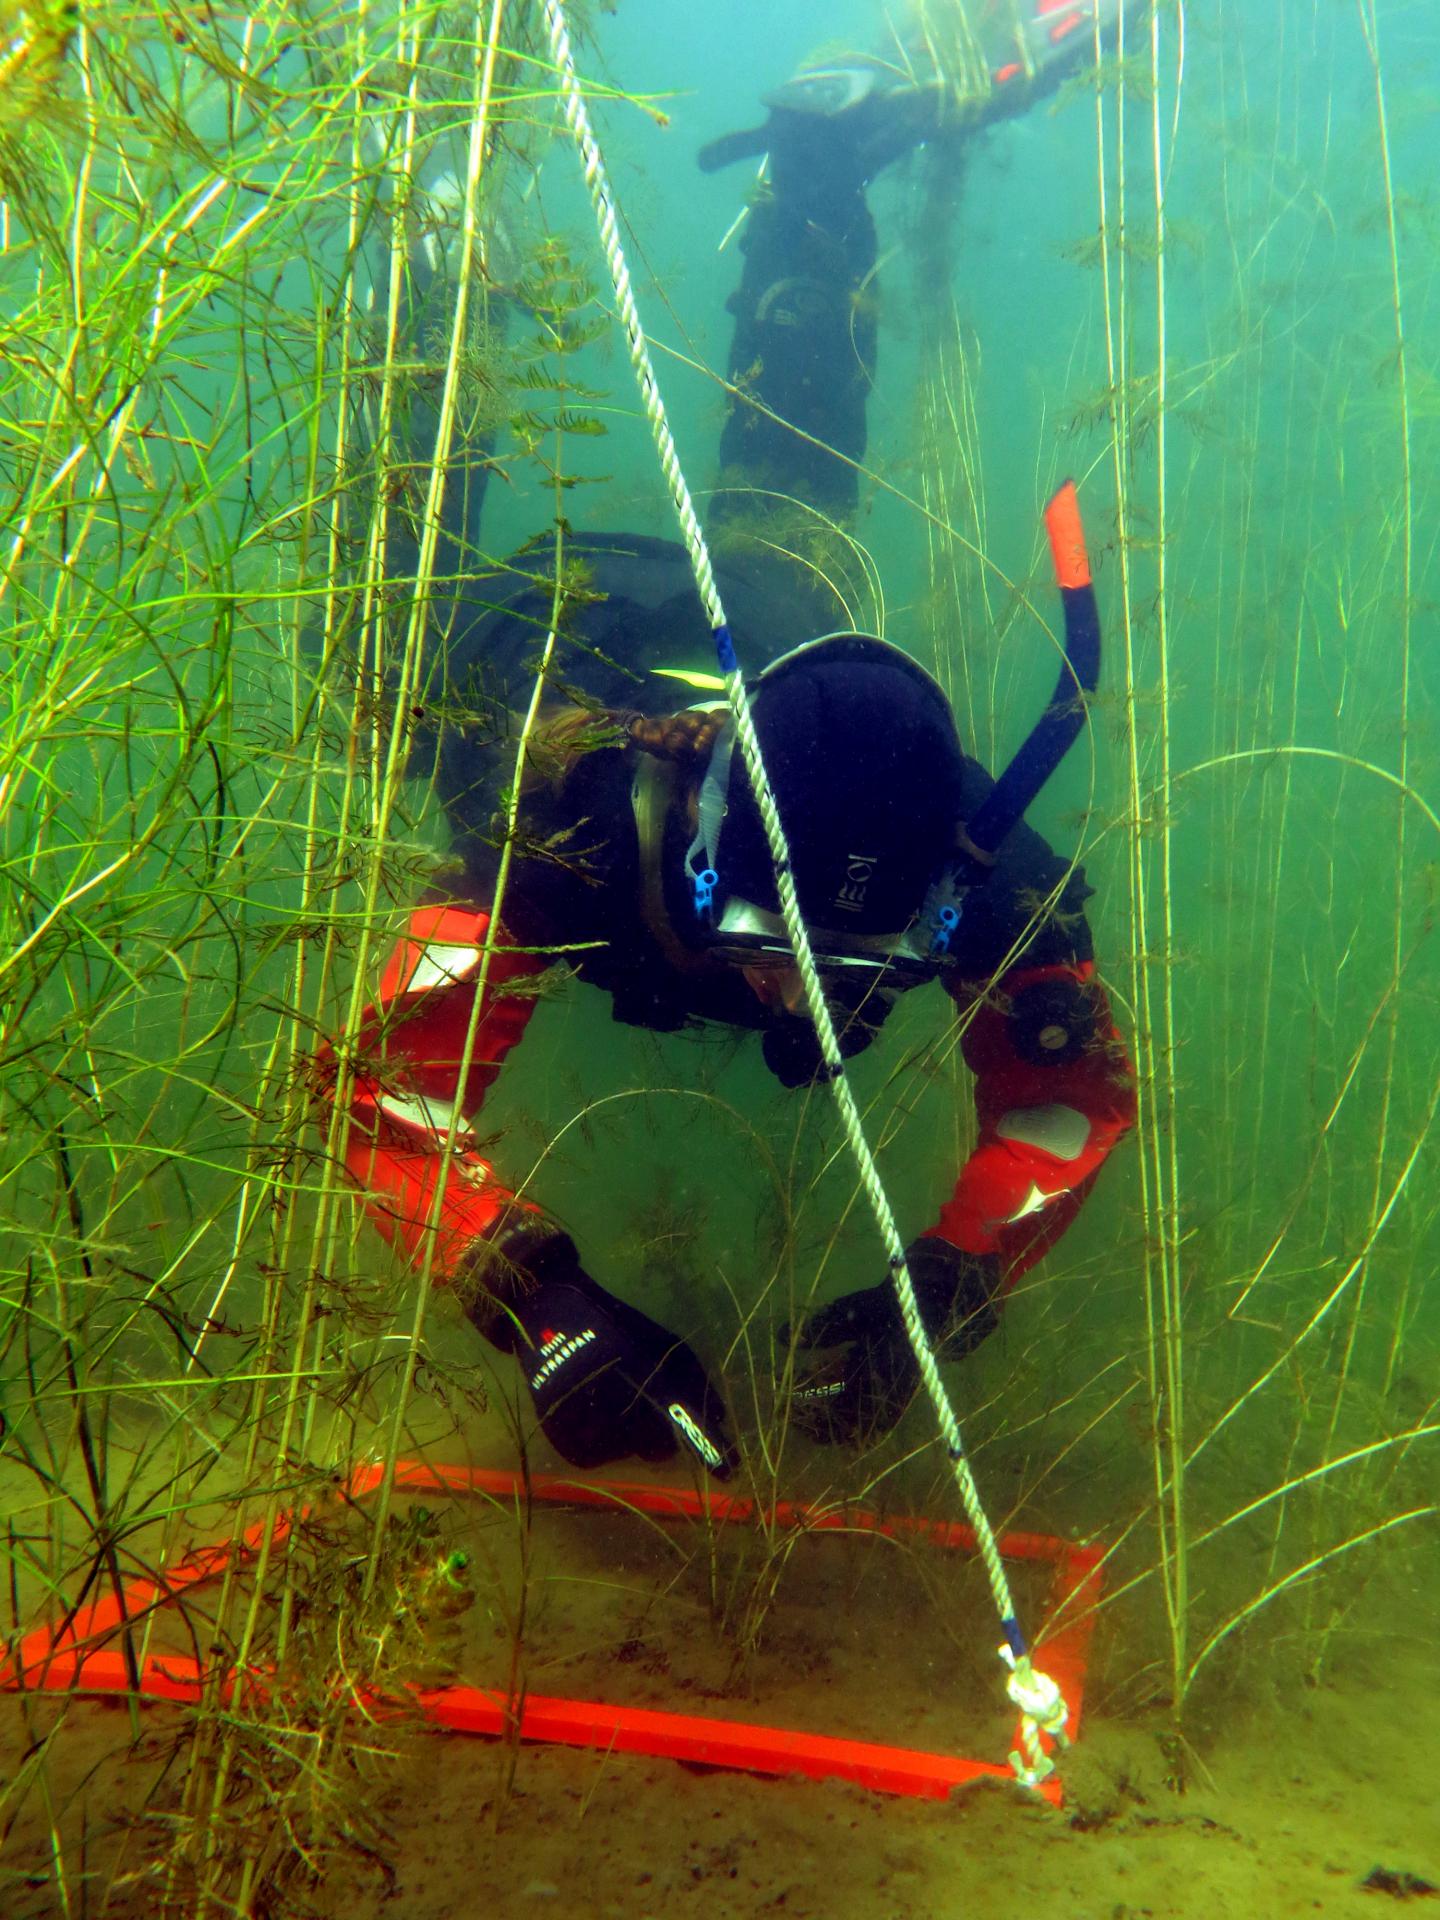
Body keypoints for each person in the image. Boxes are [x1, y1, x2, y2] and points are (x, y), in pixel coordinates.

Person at [328, 1, 1139, 1482]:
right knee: (376, 660)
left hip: (764, 627)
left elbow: (1067, 1093)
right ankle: (438, 238)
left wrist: (942, 1297)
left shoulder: (968, 865)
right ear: (696, 853)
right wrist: (539, 1296)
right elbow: (386, 1092)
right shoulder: (563, 826)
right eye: (768, 938)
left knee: (789, 531)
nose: (796, 995)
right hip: (547, 641)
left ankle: (819, 172)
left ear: (934, 911)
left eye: (861, 967)